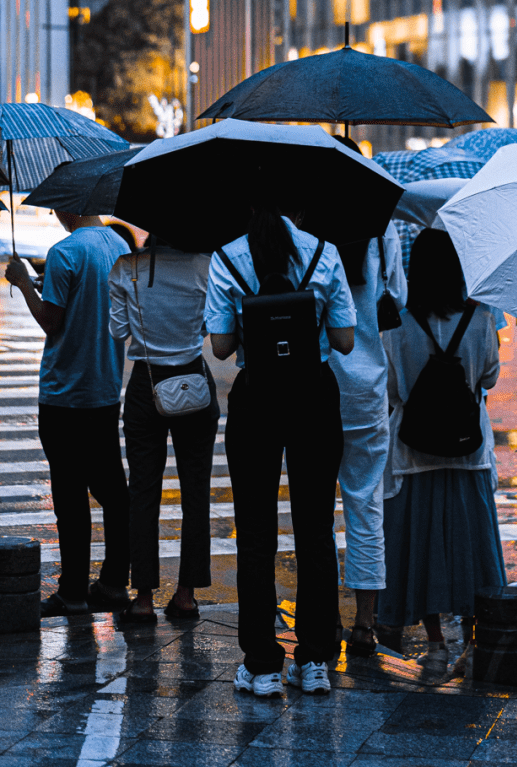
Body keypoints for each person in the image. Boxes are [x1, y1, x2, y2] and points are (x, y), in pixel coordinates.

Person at [205, 207, 355, 698]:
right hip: (314, 395)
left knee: (254, 533)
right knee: (315, 530)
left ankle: (263, 664)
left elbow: (223, 346)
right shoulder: (323, 252)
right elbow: (345, 341)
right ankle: (314, 660)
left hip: (257, 400)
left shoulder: (226, 258)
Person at [378, 227, 505, 674]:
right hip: (468, 451)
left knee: (421, 545)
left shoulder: (397, 322)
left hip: (413, 452)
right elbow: (488, 379)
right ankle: (472, 636)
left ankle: (433, 642)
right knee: (470, 544)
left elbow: (392, 389)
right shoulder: (480, 319)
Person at [5, 211, 131, 616]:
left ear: (68, 205)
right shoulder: (119, 246)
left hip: (65, 394)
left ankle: (73, 590)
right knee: (113, 492)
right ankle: (114, 583)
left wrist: (24, 283)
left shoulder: (65, 251)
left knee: (70, 495)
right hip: (106, 388)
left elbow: (51, 322)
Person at [109, 239, 219, 622]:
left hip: (146, 383)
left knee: (143, 491)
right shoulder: (207, 265)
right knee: (196, 490)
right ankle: (186, 595)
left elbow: (117, 331)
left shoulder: (127, 266)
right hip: (193, 378)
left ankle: (142, 598)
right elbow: (212, 325)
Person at [330, 220, 407, 656]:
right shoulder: (381, 227)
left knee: (314, 510)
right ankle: (364, 622)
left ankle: (321, 612)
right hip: (366, 387)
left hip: (319, 383)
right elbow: (399, 297)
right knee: (366, 504)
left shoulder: (304, 236)